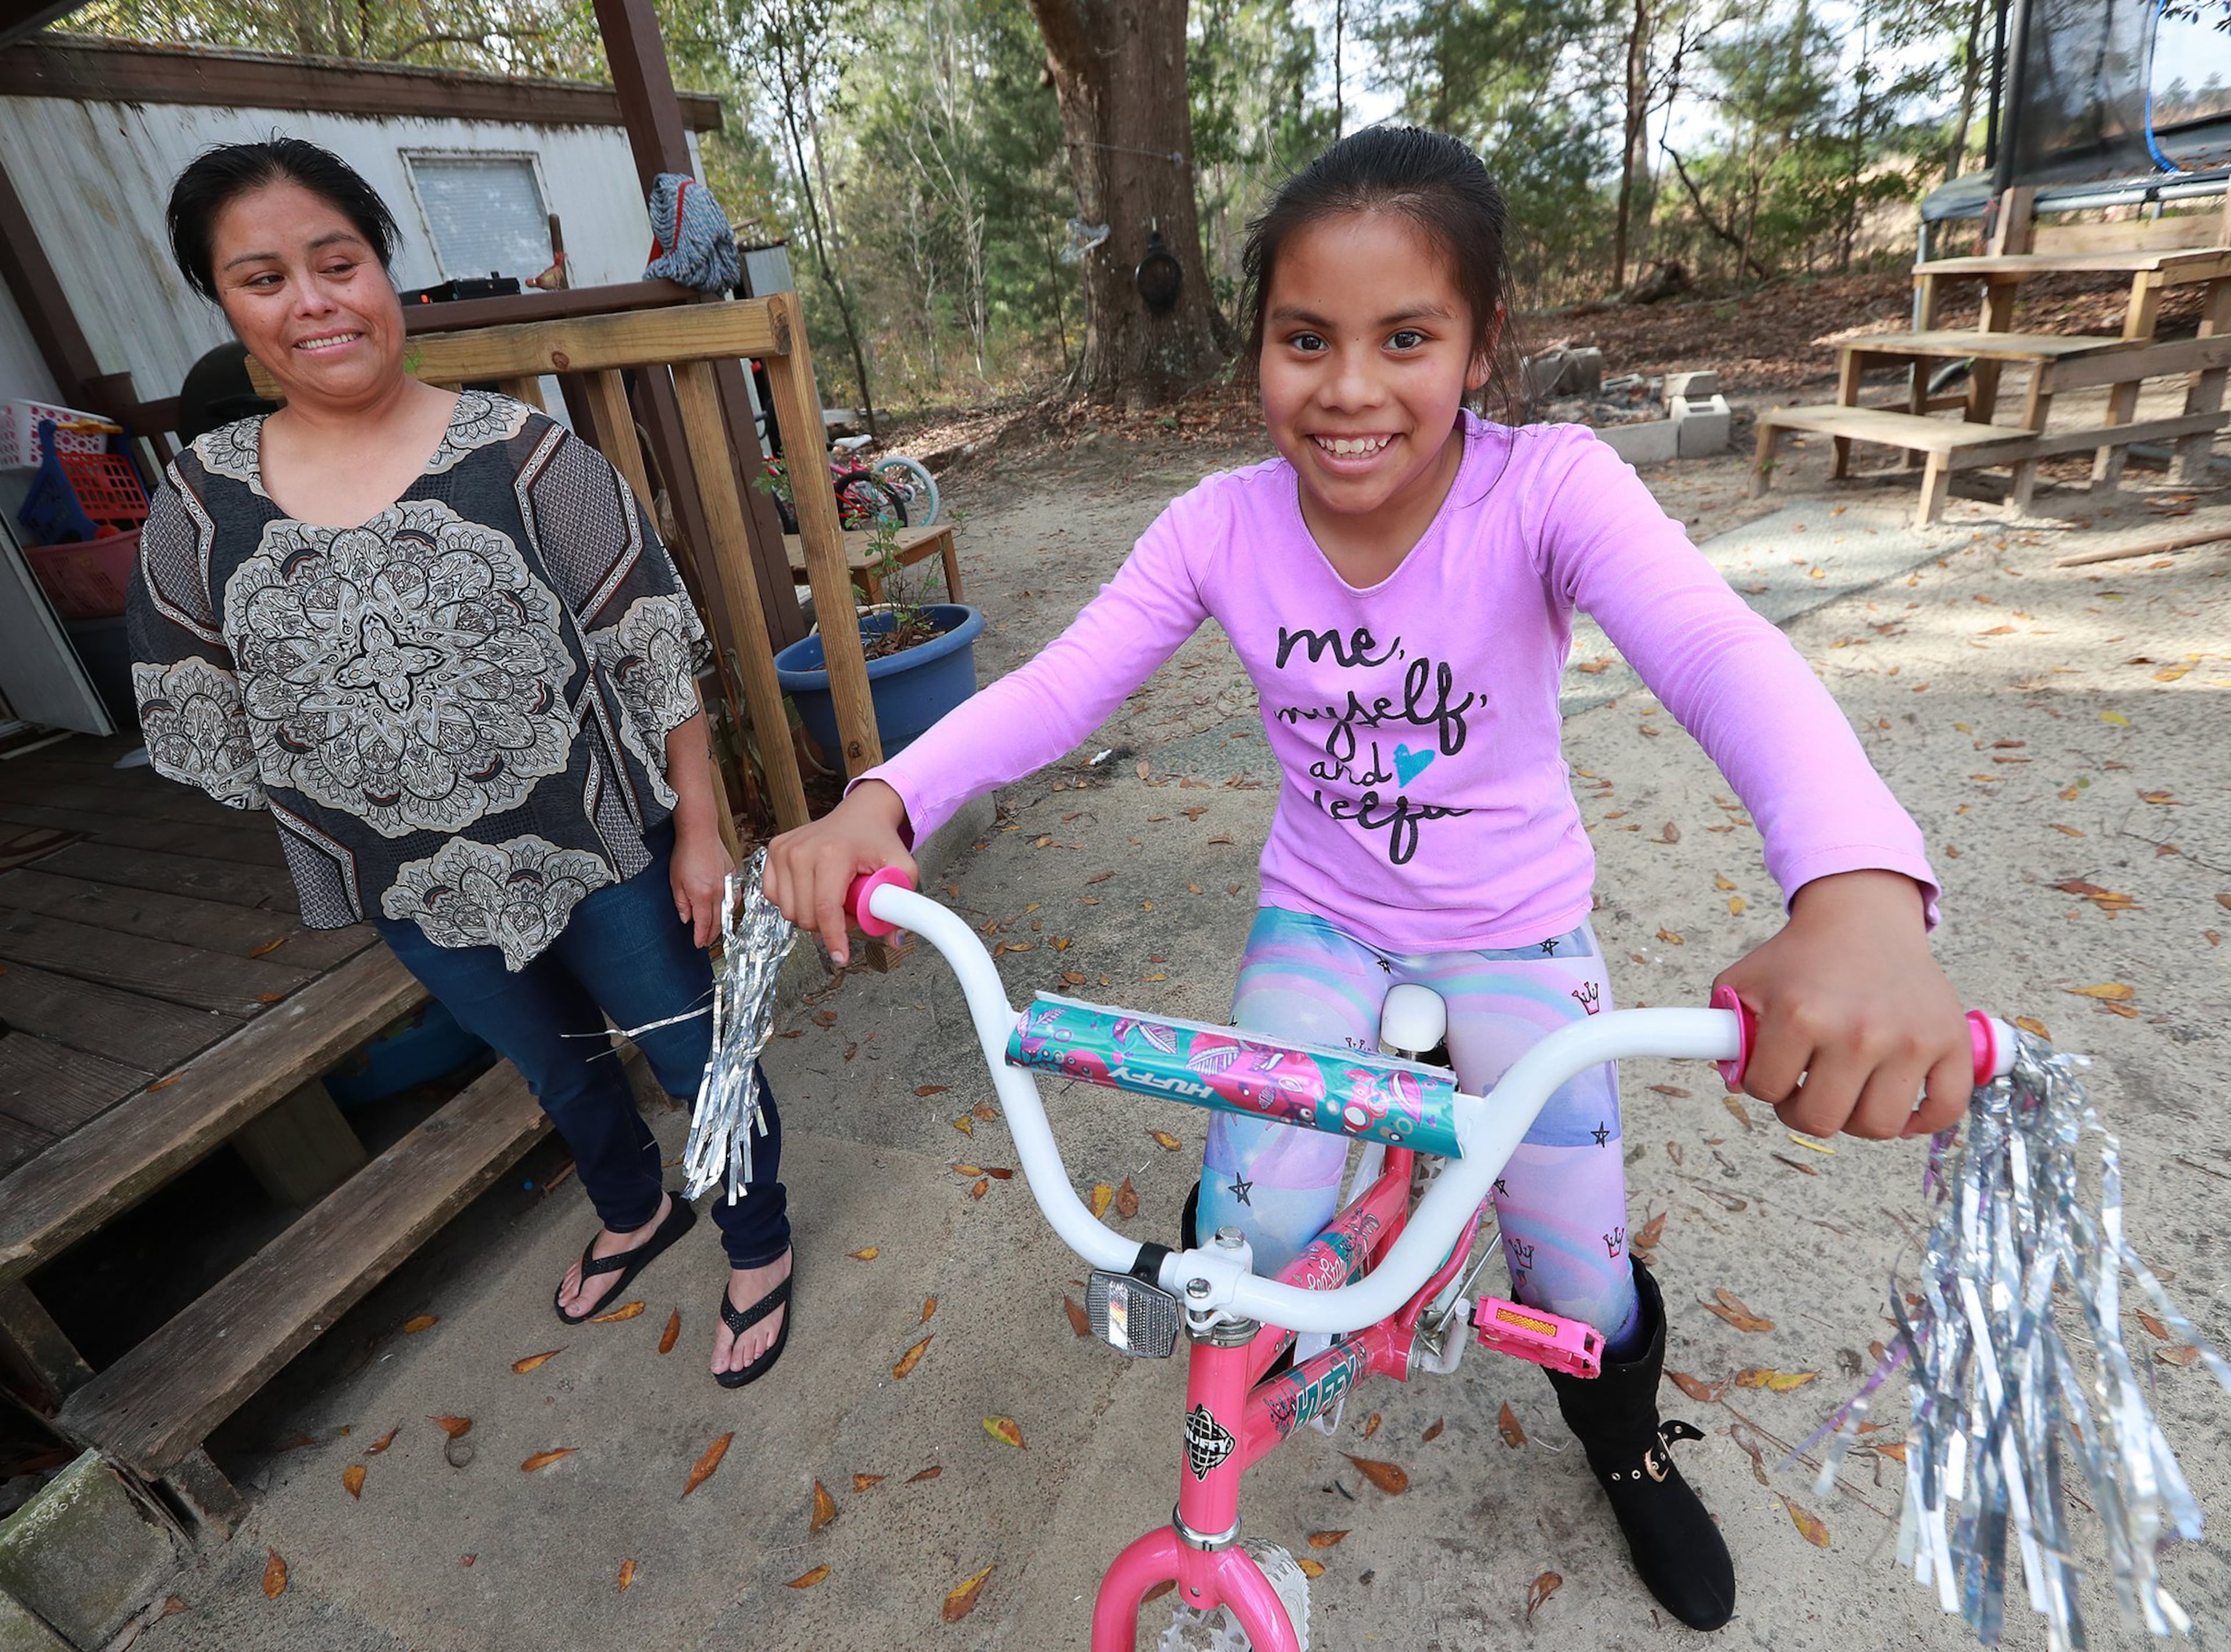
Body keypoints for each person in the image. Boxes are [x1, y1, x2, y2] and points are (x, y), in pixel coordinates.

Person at [766, 127, 1970, 1628]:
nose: (1348, 386)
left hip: (1515, 932)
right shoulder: (1220, 524)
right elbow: (1066, 684)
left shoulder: (1553, 491)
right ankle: (1262, 1287)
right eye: (1305, 338)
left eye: (1407, 337)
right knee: (1250, 1245)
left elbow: (1722, 654)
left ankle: (1629, 1450)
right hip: (1324, 917)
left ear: (1481, 347)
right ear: (1258, 345)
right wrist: (885, 796)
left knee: (1580, 1288)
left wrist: (1855, 889)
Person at [127, 138, 792, 1389]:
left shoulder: (525, 456)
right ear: (224, 305)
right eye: (264, 278)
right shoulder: (197, 506)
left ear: (384, 269)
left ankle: (756, 1241)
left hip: (601, 847)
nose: (314, 300)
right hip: (413, 884)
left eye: (338, 261)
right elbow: (197, 708)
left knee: (694, 1052)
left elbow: (651, 644)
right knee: (556, 1069)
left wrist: (700, 827)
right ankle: (638, 1209)